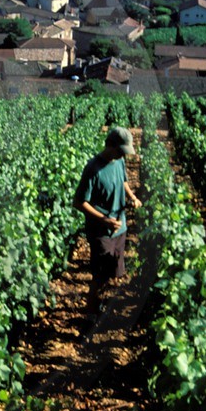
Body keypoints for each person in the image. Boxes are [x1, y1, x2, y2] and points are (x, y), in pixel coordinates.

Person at [73, 125, 141, 332]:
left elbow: (124, 182)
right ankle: (91, 315)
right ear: (110, 146)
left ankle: (100, 303)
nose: (124, 155)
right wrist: (104, 220)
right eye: (121, 151)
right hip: (101, 232)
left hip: (120, 228)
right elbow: (79, 202)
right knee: (99, 275)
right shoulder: (93, 169)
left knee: (113, 271)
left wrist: (132, 197)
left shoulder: (119, 161)